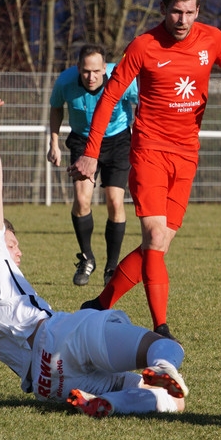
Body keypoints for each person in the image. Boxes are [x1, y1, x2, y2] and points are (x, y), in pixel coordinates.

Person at [0, 100, 189, 418]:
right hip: (60, 337)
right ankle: (162, 367)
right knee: (166, 348)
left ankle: (110, 403)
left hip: (47, 384)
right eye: (11, 243)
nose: (17, 250)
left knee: (173, 401)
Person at [72, 0, 221, 338]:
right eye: (175, 12)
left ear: (197, 11)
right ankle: (161, 328)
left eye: (189, 12)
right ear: (163, 10)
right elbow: (108, 98)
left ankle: (101, 304)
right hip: (149, 150)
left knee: (160, 244)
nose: (182, 19)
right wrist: (91, 152)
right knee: (154, 235)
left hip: (187, 156)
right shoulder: (143, 46)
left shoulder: (212, 39)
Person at [48, 44, 138, 286]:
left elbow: (145, 102)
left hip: (117, 140)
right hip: (83, 141)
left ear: (105, 68)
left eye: (97, 71)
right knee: (82, 200)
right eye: (86, 71)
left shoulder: (122, 78)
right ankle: (87, 258)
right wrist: (54, 143)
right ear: (78, 68)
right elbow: (56, 108)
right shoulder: (66, 82)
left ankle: (111, 268)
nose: (91, 77)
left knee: (115, 202)